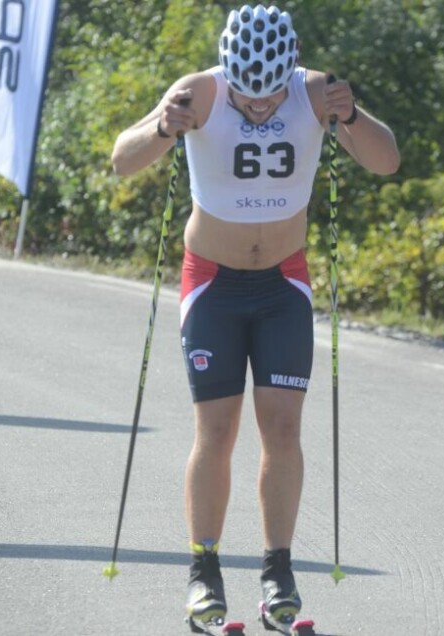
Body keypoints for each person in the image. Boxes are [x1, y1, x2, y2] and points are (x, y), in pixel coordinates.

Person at [111, 3, 400, 630]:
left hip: (282, 287)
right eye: (249, 96)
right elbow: (121, 158)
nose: (262, 107)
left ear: (291, 72)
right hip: (212, 284)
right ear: (229, 71)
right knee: (216, 432)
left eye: (272, 96)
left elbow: (385, 160)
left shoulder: (318, 92)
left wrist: (350, 115)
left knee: (284, 430)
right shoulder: (200, 92)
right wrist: (162, 128)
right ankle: (203, 573)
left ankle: (277, 573)